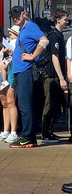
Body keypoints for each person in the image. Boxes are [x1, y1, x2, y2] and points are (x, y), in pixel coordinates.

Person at [8, 5, 48, 148]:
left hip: (26, 70)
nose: (15, 17)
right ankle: (30, 138)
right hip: (19, 71)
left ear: (24, 14)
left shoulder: (30, 26)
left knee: (25, 105)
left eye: (17, 14)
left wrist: (33, 55)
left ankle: (26, 137)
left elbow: (44, 40)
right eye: (13, 16)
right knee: (23, 104)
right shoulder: (23, 29)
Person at [41, 9, 68, 143]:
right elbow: (54, 57)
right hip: (51, 76)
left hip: (56, 75)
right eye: (65, 19)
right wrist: (61, 77)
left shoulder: (59, 35)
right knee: (50, 104)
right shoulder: (54, 35)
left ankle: (49, 132)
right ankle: (45, 134)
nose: (67, 22)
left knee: (56, 105)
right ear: (58, 20)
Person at [0, 25, 20, 90]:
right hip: (14, 58)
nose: (10, 36)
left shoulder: (13, 41)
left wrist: (3, 50)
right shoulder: (18, 42)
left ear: (16, 35)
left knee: (2, 68)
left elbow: (7, 49)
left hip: (11, 58)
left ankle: (4, 81)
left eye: (11, 35)